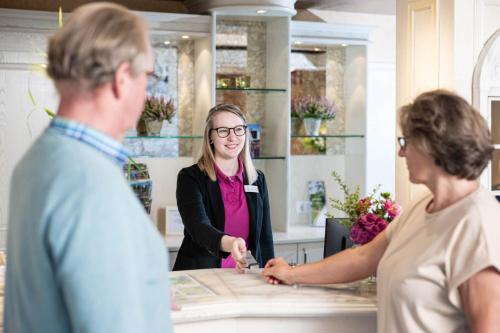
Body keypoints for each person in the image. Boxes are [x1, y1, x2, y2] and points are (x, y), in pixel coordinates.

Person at [263, 90, 500, 332]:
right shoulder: (423, 205)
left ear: (433, 144)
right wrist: (291, 274)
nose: (401, 152)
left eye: (406, 142)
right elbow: (362, 258)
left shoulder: (478, 224)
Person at [4, 3, 172, 333]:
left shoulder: (37, 161)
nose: (146, 92)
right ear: (122, 79)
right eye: (147, 76)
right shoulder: (90, 183)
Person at [174, 104, 274, 271]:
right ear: (210, 137)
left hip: (245, 275)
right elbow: (199, 228)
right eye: (223, 130)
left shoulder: (256, 179)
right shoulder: (190, 177)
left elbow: (264, 237)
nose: (232, 137)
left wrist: (270, 272)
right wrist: (231, 243)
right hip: (203, 275)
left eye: (238, 129)